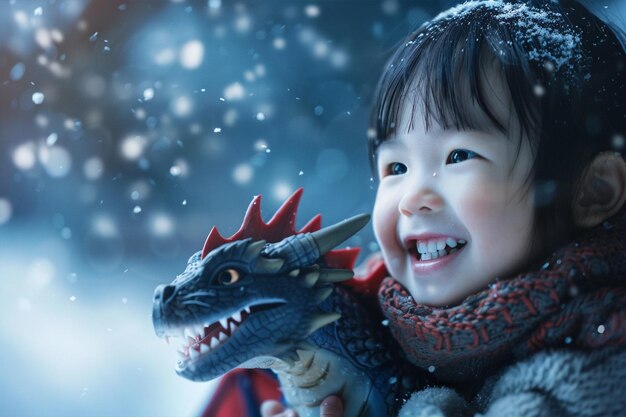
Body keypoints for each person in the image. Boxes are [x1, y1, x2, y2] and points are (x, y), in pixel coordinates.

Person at [263, 0, 626, 415]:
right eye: (396, 166)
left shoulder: (599, 358)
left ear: (592, 192)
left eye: (458, 156)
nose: (413, 196)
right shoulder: (363, 332)